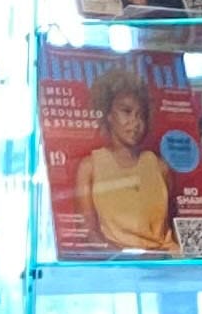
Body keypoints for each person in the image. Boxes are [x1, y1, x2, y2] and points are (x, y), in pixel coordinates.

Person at [74, 63, 179, 253]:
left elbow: (173, 225)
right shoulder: (90, 167)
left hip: (165, 265)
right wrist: (120, 260)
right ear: (108, 115)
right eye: (126, 112)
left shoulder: (159, 166)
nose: (135, 123)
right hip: (118, 267)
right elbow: (89, 233)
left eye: (141, 115)